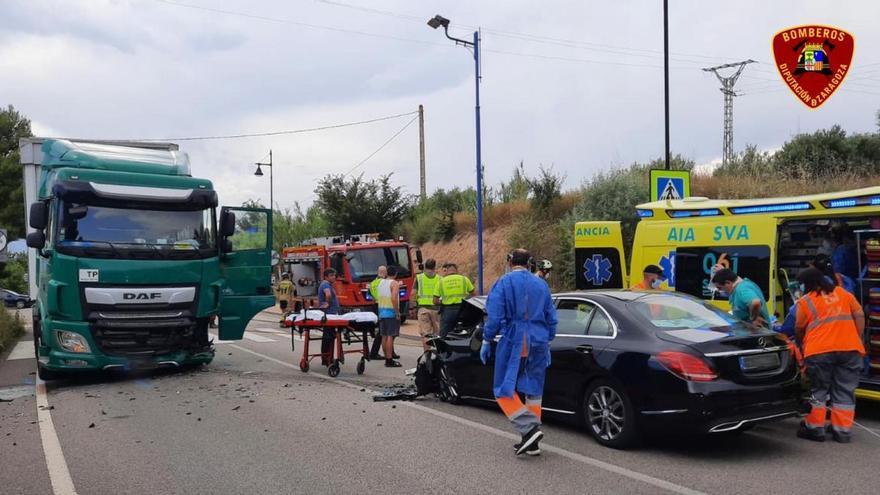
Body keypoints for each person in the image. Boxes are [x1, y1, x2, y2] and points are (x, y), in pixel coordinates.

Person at [480, 249, 558, 456]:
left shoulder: (504, 283)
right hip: (539, 340)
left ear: (510, 261)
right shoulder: (541, 284)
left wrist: (487, 339)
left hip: (516, 338)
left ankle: (529, 429)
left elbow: (495, 317)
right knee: (533, 389)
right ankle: (531, 441)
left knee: (502, 388)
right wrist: (547, 340)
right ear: (530, 263)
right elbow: (551, 316)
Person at [794, 267, 866, 443]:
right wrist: (857, 337)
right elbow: (859, 314)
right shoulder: (843, 293)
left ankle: (815, 429)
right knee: (845, 390)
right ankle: (842, 431)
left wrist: (803, 344)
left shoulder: (805, 301)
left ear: (807, 284)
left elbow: (798, 328)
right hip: (850, 349)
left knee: (818, 389)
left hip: (819, 351)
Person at [433, 263, 475, 338]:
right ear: (456, 270)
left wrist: (441, 302)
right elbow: (473, 295)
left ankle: (444, 348)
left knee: (444, 334)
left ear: (447, 271)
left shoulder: (441, 282)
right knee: (465, 332)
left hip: (447, 311)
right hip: (463, 311)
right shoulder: (464, 279)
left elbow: (435, 301)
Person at [375, 266, 402, 367]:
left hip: (381, 311)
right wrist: (397, 312)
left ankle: (387, 357)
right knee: (390, 336)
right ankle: (389, 359)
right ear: (395, 274)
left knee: (384, 336)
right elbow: (394, 298)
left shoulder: (381, 283)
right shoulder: (394, 283)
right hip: (390, 312)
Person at [414, 258, 441, 351]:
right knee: (438, 334)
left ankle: (427, 355)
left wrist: (413, 307)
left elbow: (413, 293)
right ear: (434, 267)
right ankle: (439, 354)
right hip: (437, 309)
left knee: (426, 334)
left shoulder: (419, 278)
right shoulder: (440, 279)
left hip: (423, 309)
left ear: (425, 266)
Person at [317, 268, 341, 366]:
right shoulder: (326, 284)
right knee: (328, 337)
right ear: (326, 277)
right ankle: (326, 358)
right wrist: (327, 303)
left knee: (329, 336)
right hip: (329, 315)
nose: (334, 277)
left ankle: (327, 357)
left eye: (334, 275)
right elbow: (328, 294)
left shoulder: (328, 284)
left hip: (331, 314)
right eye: (331, 275)